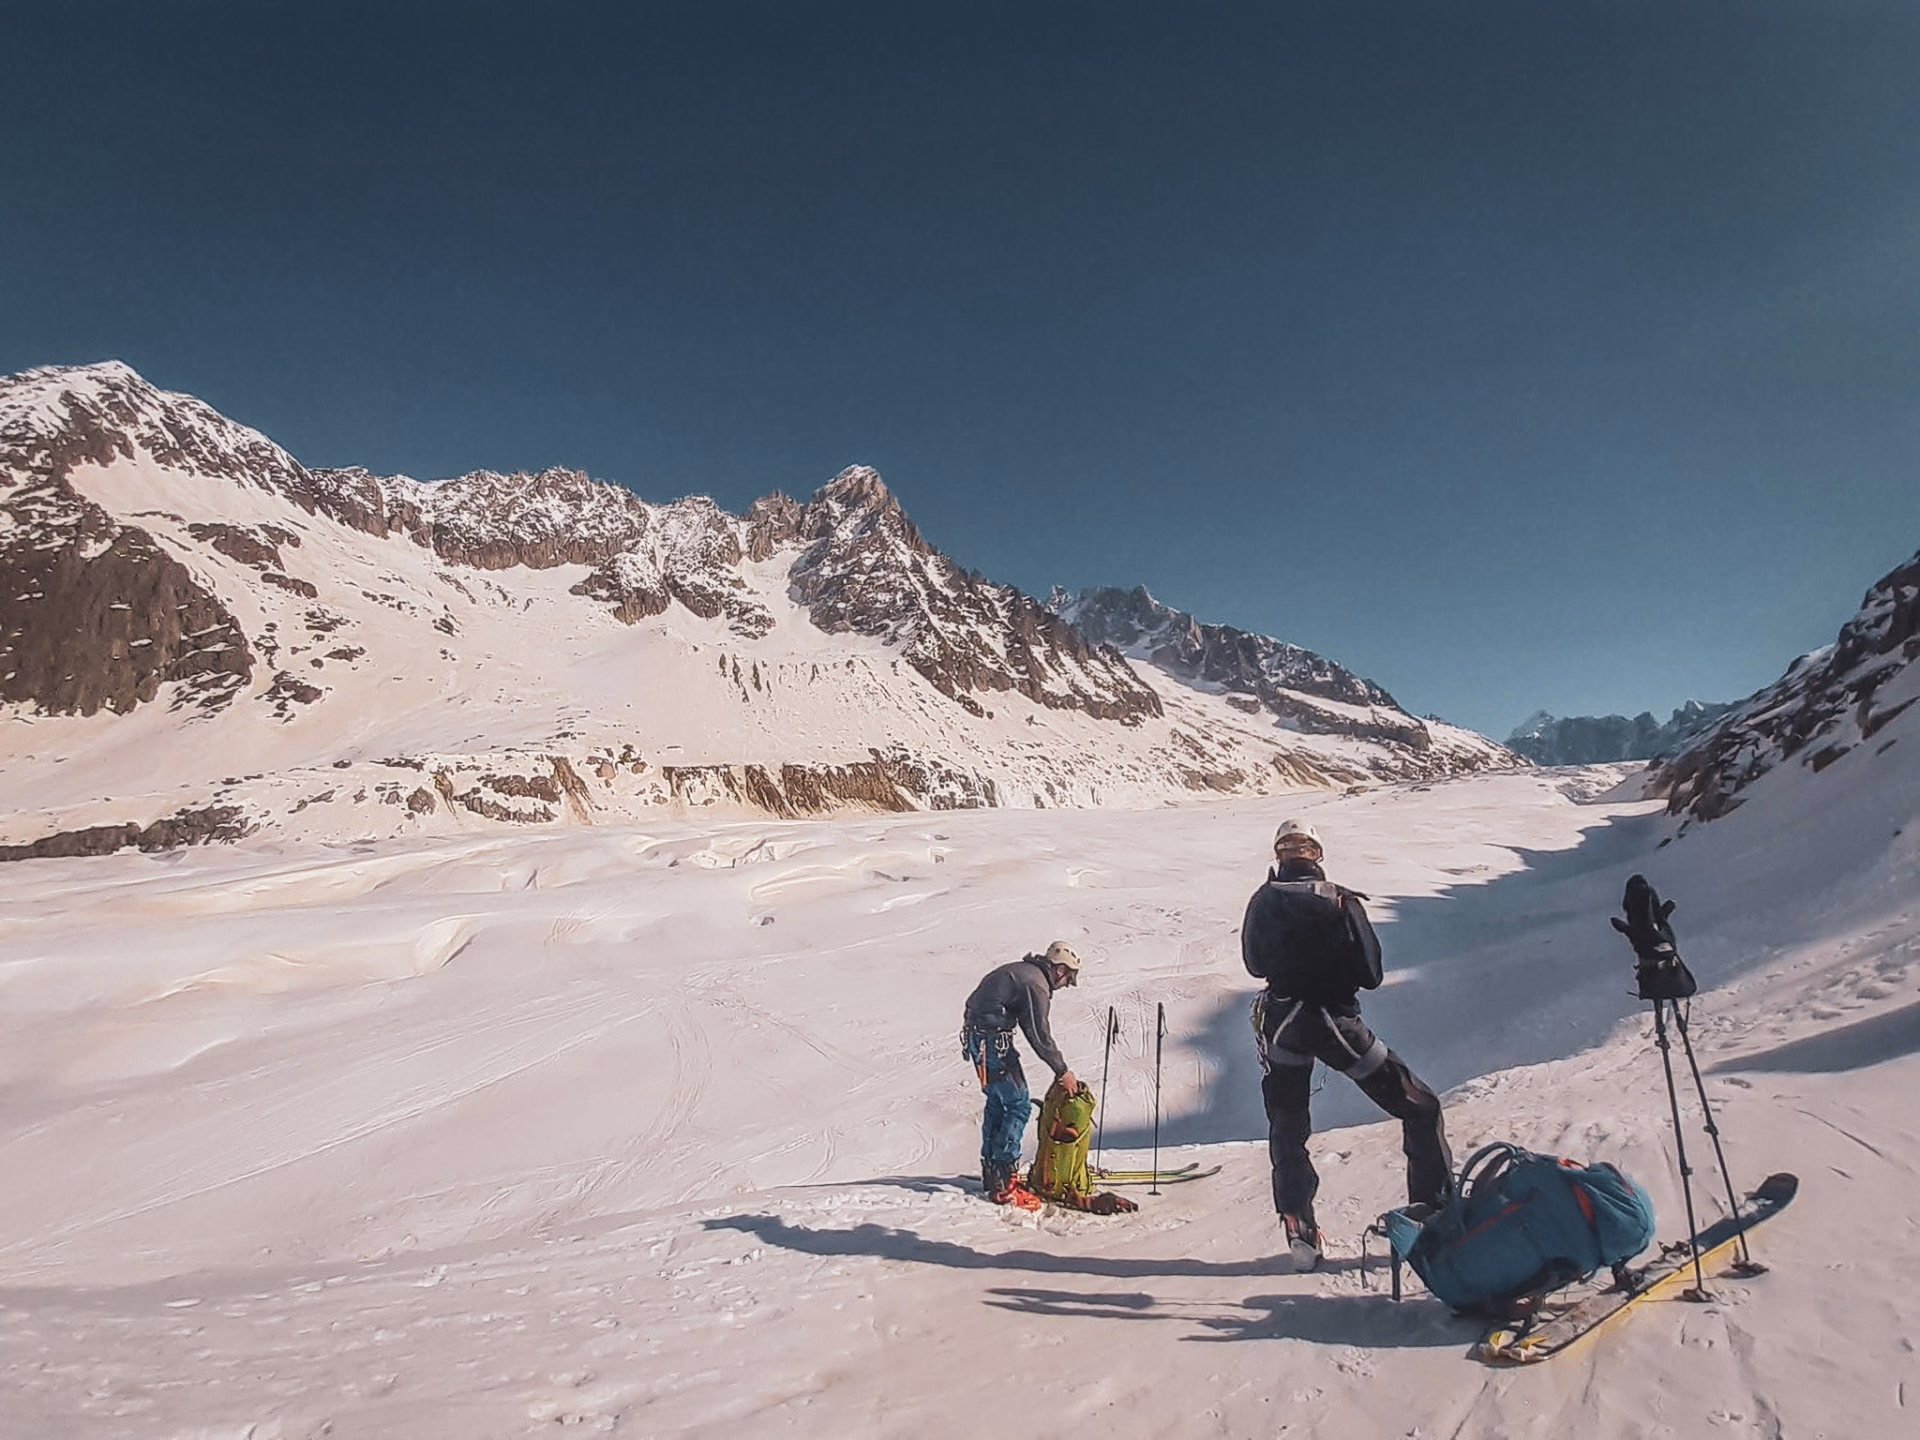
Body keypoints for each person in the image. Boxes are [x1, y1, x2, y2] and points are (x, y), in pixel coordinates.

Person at [1241, 819, 1451, 1269]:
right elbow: (1371, 974)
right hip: (1337, 1025)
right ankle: (1432, 1210)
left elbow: (1254, 965)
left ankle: (1300, 1228)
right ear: (1317, 854)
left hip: (1282, 1025)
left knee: (1288, 1126)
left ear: (1280, 855)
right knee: (1419, 1105)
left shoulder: (1263, 900)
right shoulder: (1341, 900)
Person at [960, 941, 1083, 1203]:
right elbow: (1039, 1034)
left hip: (979, 1040)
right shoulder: (1035, 984)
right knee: (1018, 1105)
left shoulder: (1023, 972)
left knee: (997, 1101)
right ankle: (1006, 1180)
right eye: (1068, 979)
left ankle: (993, 1174)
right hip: (993, 1044)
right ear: (1060, 970)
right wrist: (1063, 1071)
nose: (1065, 986)